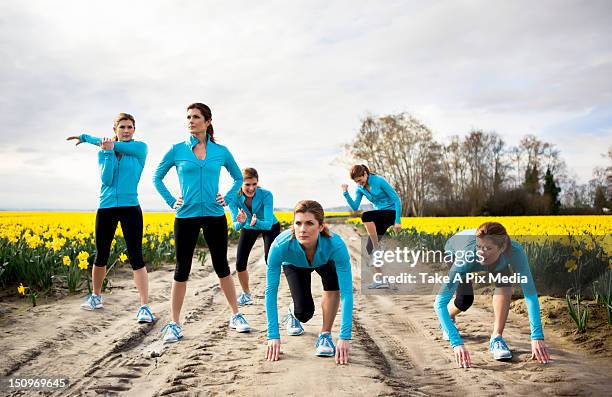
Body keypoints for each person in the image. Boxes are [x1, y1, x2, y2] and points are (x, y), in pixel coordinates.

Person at [153, 102, 247, 344]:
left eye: (196, 117)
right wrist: (171, 201)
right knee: (181, 269)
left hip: (215, 215)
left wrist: (226, 198)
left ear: (207, 121)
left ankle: (236, 315)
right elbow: (157, 177)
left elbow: (238, 177)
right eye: (188, 117)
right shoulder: (177, 150)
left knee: (222, 267)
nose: (191, 121)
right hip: (185, 216)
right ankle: (174, 324)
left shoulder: (221, 152)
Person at [66, 113, 154, 323]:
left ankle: (144, 306)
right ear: (115, 130)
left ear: (134, 130)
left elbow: (119, 147)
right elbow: (106, 180)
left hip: (131, 207)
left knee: (136, 257)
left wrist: (88, 138)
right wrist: (106, 153)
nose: (126, 130)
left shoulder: (139, 149)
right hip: (106, 207)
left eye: (130, 127)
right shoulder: (105, 152)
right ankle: (96, 297)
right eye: (122, 127)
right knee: (101, 254)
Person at [434, 222, 552, 369]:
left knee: (505, 282)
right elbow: (439, 303)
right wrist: (456, 343)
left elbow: (530, 294)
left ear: (502, 247)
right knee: (465, 300)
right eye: (479, 247)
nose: (481, 253)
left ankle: (496, 338)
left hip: (497, 259)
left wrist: (537, 336)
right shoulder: (467, 256)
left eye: (488, 248)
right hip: (454, 250)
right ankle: (448, 320)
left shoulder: (515, 252)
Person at [264, 200, 353, 364]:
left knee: (333, 286)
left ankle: (325, 335)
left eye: (309, 223)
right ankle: (293, 312)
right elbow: (270, 292)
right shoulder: (279, 246)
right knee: (304, 313)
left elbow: (347, 294)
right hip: (294, 264)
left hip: (325, 261)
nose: (302, 229)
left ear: (321, 226)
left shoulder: (336, 245)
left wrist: (344, 336)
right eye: (298, 223)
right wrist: (273, 336)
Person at [341, 164, 402, 289]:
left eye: (360, 180)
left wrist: (397, 221)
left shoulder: (379, 181)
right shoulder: (360, 188)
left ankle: (377, 246)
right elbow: (355, 207)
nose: (359, 183)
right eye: (356, 182)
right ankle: (381, 280)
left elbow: (396, 199)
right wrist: (345, 193)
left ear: (365, 173)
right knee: (369, 249)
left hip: (391, 212)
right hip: (379, 216)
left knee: (366, 216)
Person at [227, 168, 281, 307]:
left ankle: (271, 293)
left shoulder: (266, 195)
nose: (251, 188)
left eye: (254, 184)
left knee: (270, 260)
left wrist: (256, 222)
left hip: (269, 226)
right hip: (249, 226)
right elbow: (235, 226)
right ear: (240, 184)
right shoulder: (233, 198)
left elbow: (268, 224)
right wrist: (241, 221)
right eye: (247, 185)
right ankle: (246, 294)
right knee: (240, 263)